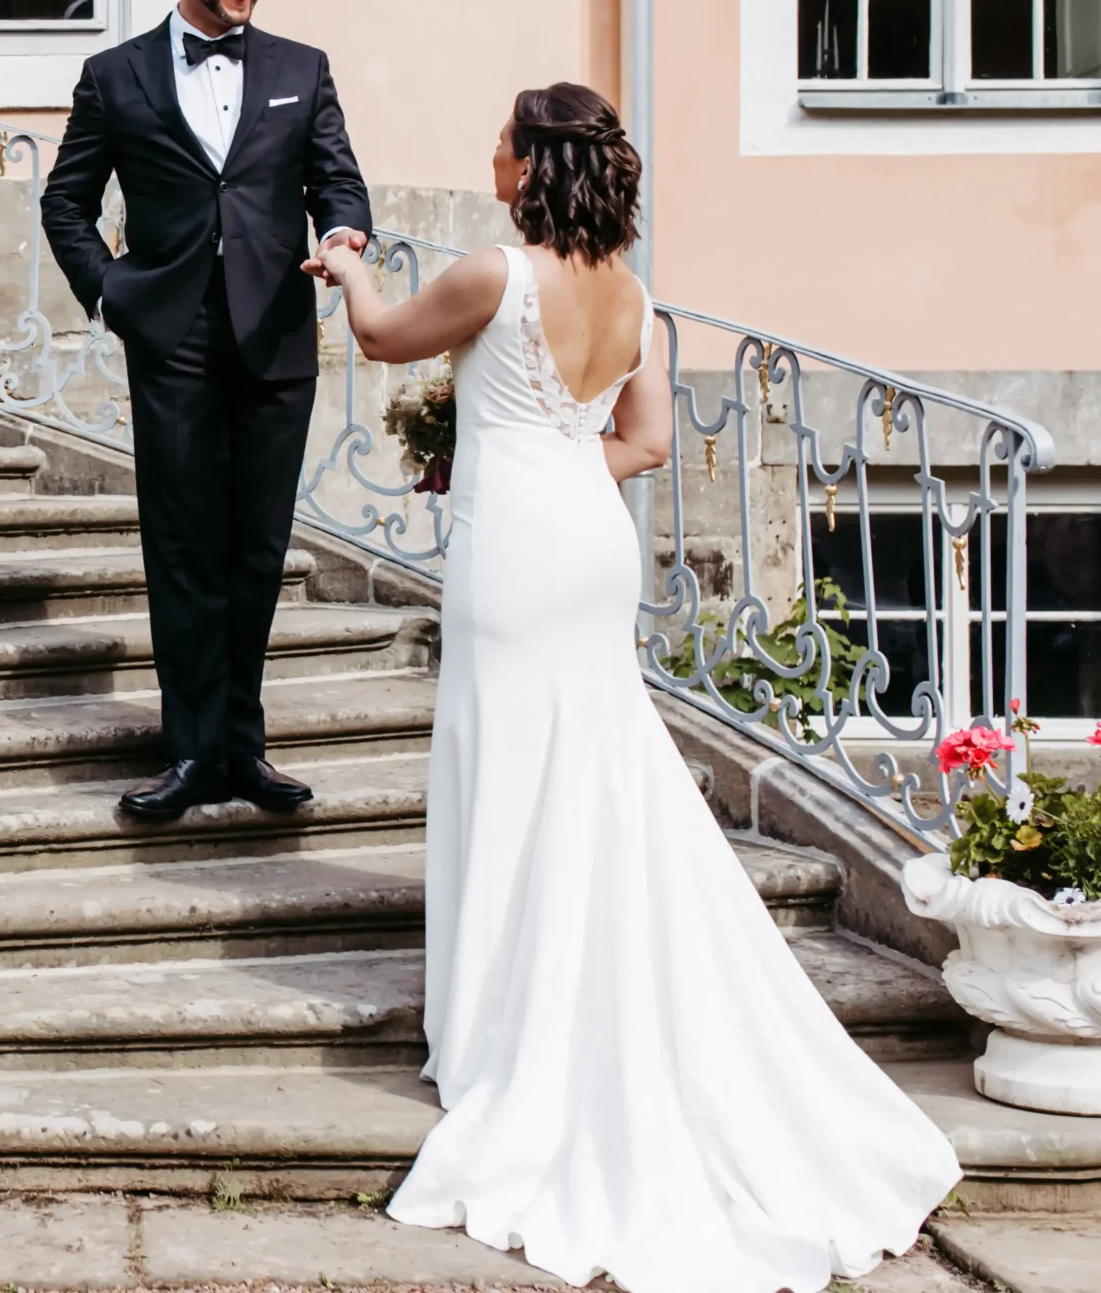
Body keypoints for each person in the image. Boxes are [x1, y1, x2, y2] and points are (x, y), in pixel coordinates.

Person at [305, 84, 961, 1293]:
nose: (487, 153)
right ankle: (561, 990)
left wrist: (343, 262)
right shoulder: (636, 298)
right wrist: (540, 453)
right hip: (589, 540)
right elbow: (646, 444)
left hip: (513, 551)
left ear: (530, 165)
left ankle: (503, 1029)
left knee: (507, 765)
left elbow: (385, 338)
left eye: (499, 140)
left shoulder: (492, 271)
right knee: (590, 761)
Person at [40, 0, 371, 821]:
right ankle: (190, 753)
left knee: (257, 550)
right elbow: (66, 202)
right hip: (172, 337)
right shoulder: (116, 75)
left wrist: (343, 237)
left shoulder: (303, 69)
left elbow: (339, 184)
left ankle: (243, 750)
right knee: (185, 547)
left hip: (274, 338)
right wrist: (110, 292)